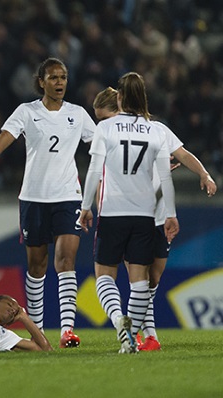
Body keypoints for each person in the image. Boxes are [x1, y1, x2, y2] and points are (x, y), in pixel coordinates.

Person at [0, 57, 96, 348]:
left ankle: (68, 330)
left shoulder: (78, 114)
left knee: (67, 260)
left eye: (63, 77)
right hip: (33, 198)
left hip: (69, 196)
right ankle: (39, 330)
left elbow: (101, 147)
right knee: (37, 265)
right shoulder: (27, 112)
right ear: (41, 81)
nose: (59, 83)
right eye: (53, 78)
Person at [92, 87, 217, 351]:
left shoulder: (153, 130)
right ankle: (143, 336)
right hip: (137, 215)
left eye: (103, 118)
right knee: (139, 277)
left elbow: (183, 155)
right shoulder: (114, 141)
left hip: (157, 217)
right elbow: (102, 182)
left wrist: (203, 174)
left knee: (152, 279)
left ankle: (137, 332)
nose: (101, 125)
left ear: (117, 110)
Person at [79, 72, 180, 354]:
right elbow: (166, 179)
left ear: (119, 97)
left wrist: (86, 207)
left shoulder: (106, 128)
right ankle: (132, 335)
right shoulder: (155, 130)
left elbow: (93, 173)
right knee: (139, 281)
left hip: (113, 212)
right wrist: (170, 214)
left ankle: (119, 322)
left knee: (104, 276)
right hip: (145, 216)